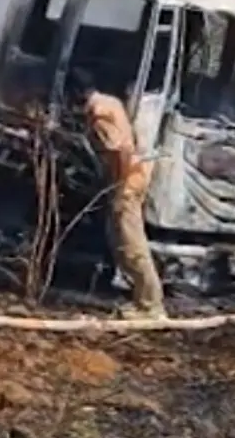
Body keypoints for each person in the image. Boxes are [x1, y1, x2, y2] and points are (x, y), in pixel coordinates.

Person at [66, 67, 167, 319]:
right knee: (118, 239)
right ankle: (141, 299)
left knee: (132, 244)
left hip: (128, 180)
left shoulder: (99, 114)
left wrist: (118, 185)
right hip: (135, 175)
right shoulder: (110, 101)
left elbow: (120, 149)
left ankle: (152, 307)